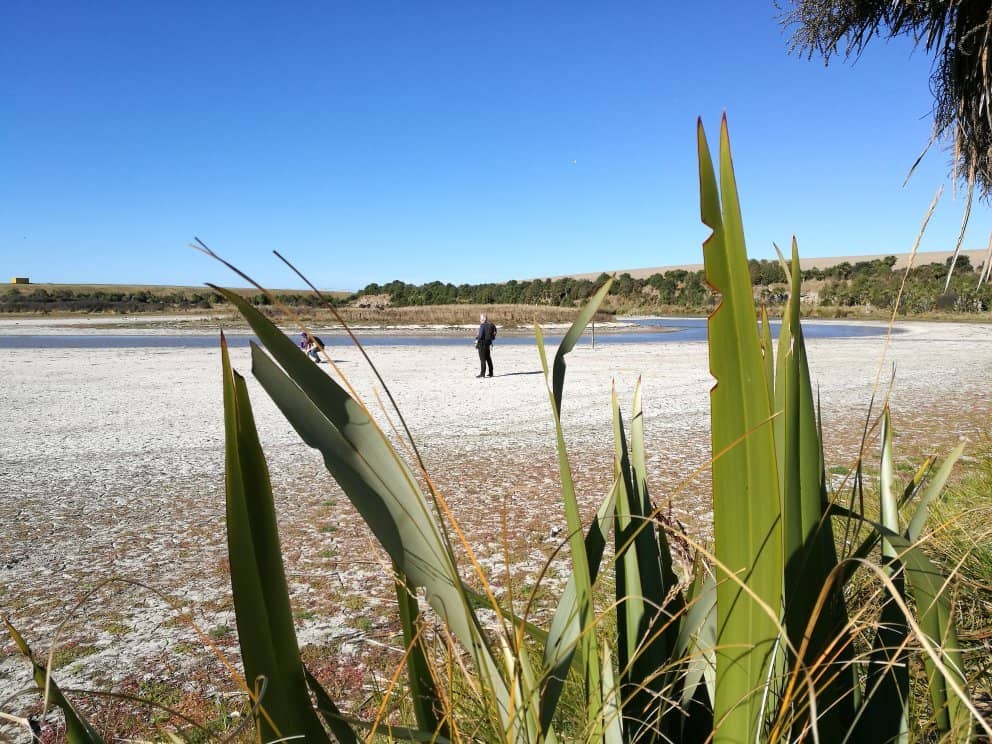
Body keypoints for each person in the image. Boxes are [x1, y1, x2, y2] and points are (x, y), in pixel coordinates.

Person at [474, 313, 497, 378]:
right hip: (488, 343)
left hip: (482, 343)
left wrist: (476, 338)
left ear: (483, 319)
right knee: (488, 358)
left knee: (482, 359)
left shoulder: (482, 325)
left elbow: (480, 336)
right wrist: (491, 339)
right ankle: (491, 372)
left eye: (480, 319)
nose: (480, 320)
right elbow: (495, 332)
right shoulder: (492, 325)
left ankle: (482, 374)